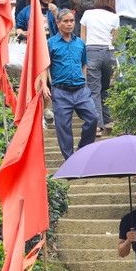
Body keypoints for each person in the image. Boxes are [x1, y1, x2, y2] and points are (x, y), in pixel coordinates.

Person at [45, 9, 97, 159]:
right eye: (65, 21)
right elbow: (44, 66)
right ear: (58, 23)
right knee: (63, 127)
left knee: (93, 118)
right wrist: (45, 85)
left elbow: (84, 65)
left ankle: (82, 152)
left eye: (72, 21)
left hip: (81, 89)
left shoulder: (80, 43)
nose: (69, 24)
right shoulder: (51, 43)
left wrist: (85, 82)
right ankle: (69, 160)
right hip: (61, 90)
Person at [79, 0, 119, 133]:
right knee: (105, 87)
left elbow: (82, 38)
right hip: (109, 53)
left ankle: (97, 124)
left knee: (94, 89)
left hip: (92, 51)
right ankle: (108, 120)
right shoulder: (115, 17)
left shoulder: (88, 14)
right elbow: (115, 39)